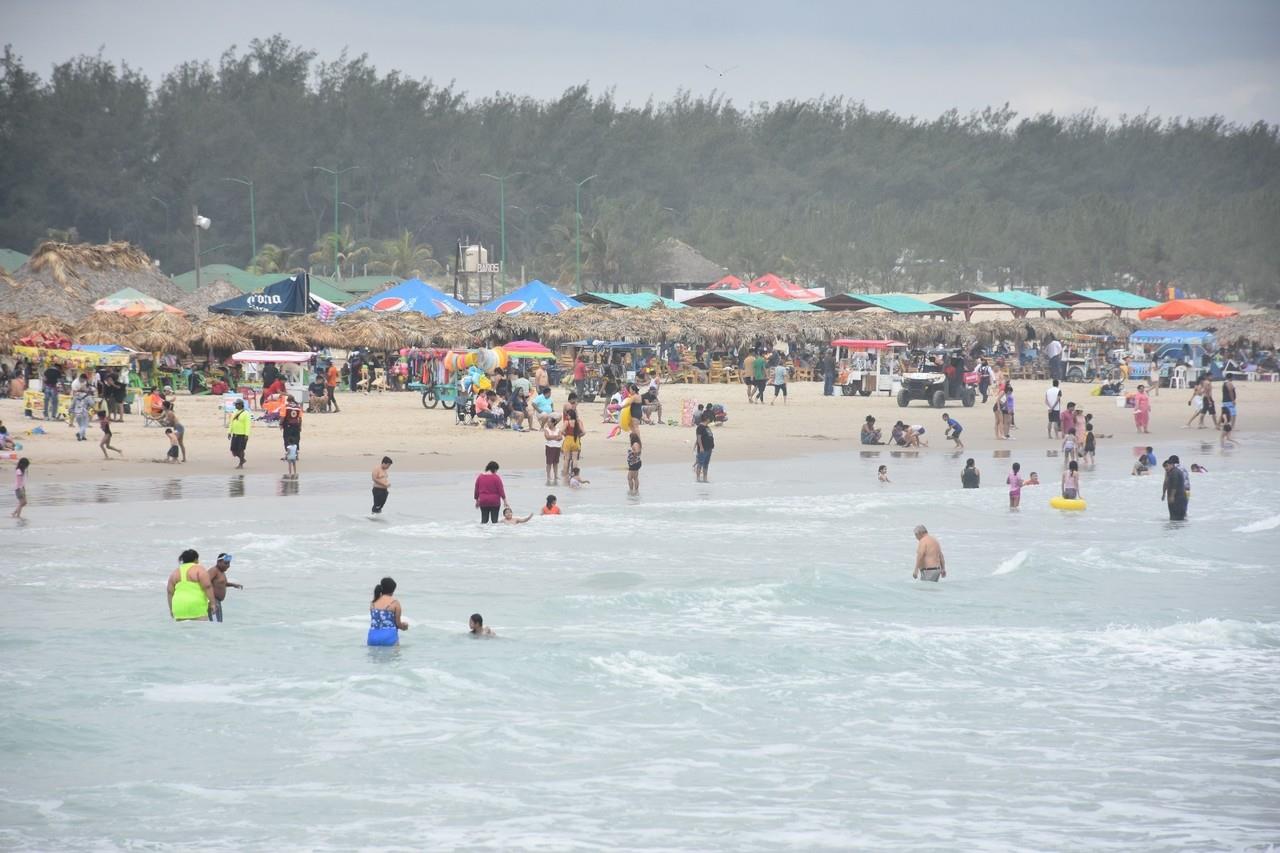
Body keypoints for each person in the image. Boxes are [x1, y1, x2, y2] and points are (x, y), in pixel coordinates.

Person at [167, 549, 215, 622]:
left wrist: (171, 609)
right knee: (199, 631)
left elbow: (170, 592)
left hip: (179, 607)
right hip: (196, 606)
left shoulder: (175, 573)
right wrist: (213, 603)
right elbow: (207, 586)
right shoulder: (199, 569)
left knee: (182, 632)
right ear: (195, 559)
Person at [368, 577, 408, 646]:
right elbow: (398, 624)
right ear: (393, 590)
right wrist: (404, 626)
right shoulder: (395, 603)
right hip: (388, 636)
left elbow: (378, 621)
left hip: (373, 637)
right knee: (394, 656)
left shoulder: (373, 603)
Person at [207, 554, 242, 623]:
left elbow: (221, 584)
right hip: (213, 601)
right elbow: (205, 583)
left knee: (219, 623)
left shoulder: (221, 572)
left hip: (217, 602)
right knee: (215, 624)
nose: (228, 566)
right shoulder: (214, 570)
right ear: (218, 562)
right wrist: (211, 601)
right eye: (226, 563)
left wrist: (233, 585)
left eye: (229, 563)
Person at [1162, 456, 1190, 521]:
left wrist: (1171, 496)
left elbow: (1172, 484)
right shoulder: (1182, 468)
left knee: (1177, 516)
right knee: (1181, 514)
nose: (1166, 468)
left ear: (1172, 464)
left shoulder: (1174, 472)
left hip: (1178, 495)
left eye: (1167, 466)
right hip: (1186, 491)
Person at [561, 407, 583, 481]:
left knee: (566, 459)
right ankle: (575, 474)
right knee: (575, 459)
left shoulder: (567, 422)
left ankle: (565, 474)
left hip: (568, 440)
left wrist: (565, 435)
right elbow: (584, 432)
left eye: (568, 415)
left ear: (570, 415)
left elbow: (562, 431)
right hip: (576, 440)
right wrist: (579, 436)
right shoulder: (578, 422)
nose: (567, 416)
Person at [228, 399, 250, 469]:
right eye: (235, 404)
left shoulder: (246, 413)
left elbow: (248, 425)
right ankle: (242, 459)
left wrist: (247, 435)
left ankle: (241, 464)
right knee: (233, 450)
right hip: (235, 434)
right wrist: (229, 432)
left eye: (237, 404)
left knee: (241, 450)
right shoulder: (234, 412)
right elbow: (231, 423)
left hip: (242, 434)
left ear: (241, 405)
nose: (236, 406)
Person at [694, 413, 715, 483]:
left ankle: (705, 478)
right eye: (710, 418)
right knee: (700, 463)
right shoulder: (700, 427)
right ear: (707, 419)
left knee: (706, 464)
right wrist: (701, 447)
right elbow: (698, 438)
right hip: (703, 449)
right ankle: (698, 478)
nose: (711, 420)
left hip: (709, 448)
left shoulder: (707, 427)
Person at [543, 416, 563, 485]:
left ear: (553, 423)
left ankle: (555, 476)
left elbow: (560, 437)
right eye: (547, 422)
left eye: (549, 422)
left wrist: (553, 437)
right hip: (549, 447)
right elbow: (547, 437)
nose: (548, 423)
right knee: (549, 463)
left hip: (557, 447)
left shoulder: (558, 430)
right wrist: (555, 437)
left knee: (555, 462)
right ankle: (548, 476)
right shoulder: (546, 429)